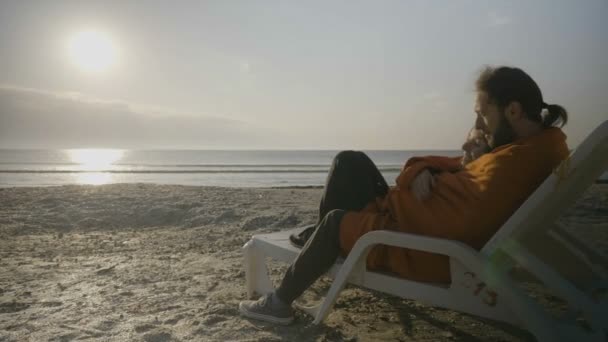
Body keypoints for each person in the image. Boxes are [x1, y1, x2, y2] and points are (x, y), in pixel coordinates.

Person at [239, 66, 570, 325]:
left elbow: (453, 223)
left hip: (412, 245)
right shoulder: (531, 150)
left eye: (483, 115)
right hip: (408, 223)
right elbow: (447, 175)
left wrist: (388, 208)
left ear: (512, 111)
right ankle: (322, 241)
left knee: (334, 221)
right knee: (350, 161)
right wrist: (426, 170)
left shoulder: (509, 164)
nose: (478, 126)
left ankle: (280, 302)